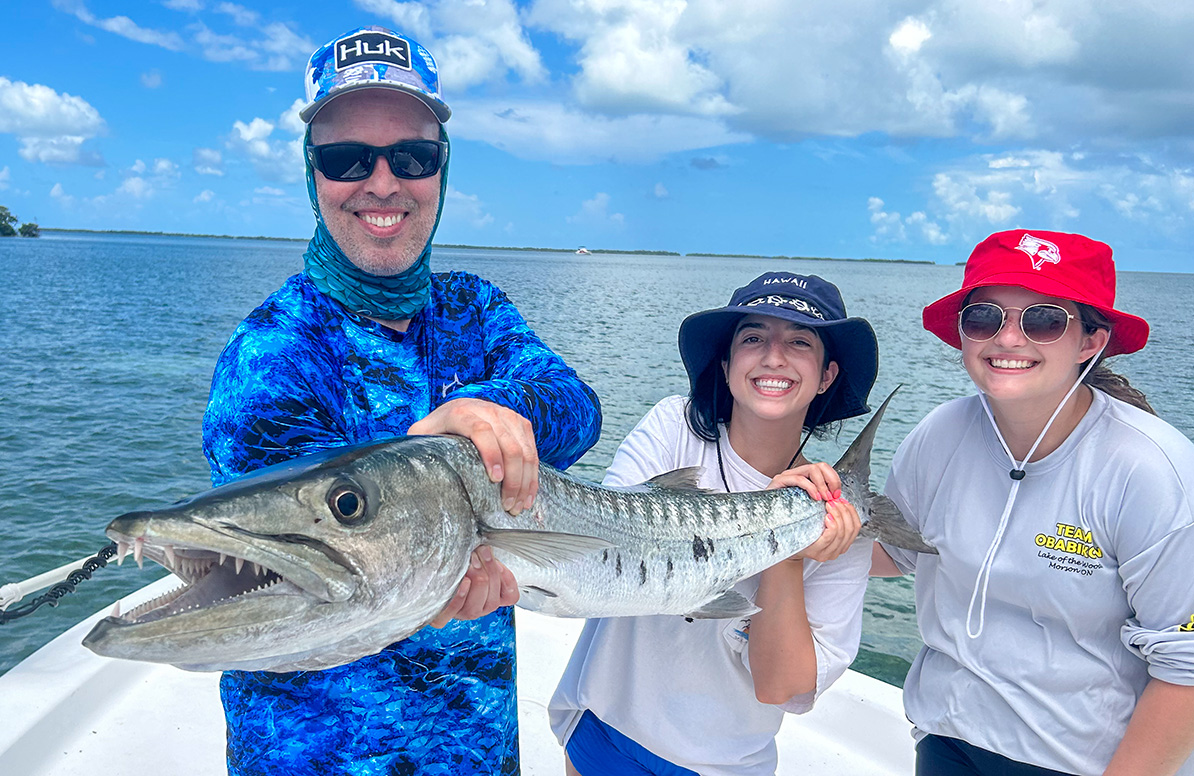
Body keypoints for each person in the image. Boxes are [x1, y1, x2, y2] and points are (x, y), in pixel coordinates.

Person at [201, 26, 602, 776]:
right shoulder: (273, 353)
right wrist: (440, 451)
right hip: (310, 757)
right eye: (347, 158)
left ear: (441, 173)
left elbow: (577, 408)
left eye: (411, 157)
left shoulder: (475, 309)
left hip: (477, 751)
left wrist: (485, 409)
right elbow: (310, 590)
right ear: (312, 174)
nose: (382, 183)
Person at [875, 230, 1194, 775]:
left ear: (1091, 342)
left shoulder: (1151, 470)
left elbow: (1189, 666)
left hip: (1084, 762)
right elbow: (896, 552)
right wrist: (802, 523)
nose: (1007, 339)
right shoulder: (940, 433)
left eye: (1043, 320)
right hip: (947, 738)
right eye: (984, 317)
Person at [550, 271, 878, 775]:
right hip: (605, 726)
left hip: (723, 763)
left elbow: (780, 686)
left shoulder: (836, 518)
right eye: (752, 338)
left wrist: (787, 551)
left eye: (798, 341)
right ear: (725, 364)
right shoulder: (672, 427)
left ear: (827, 375)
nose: (773, 356)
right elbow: (607, 548)